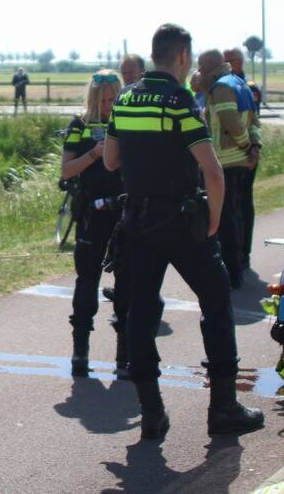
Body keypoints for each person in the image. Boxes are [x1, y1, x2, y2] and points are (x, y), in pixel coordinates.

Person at [103, 23, 263, 439]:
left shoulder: (126, 98)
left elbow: (110, 162)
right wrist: (213, 220)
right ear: (183, 56)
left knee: (139, 314)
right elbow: (212, 171)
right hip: (180, 219)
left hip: (136, 221)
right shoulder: (179, 100)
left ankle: (152, 412)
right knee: (216, 301)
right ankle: (223, 407)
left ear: (153, 55)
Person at [60, 69, 128, 377]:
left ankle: (125, 355)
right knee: (86, 281)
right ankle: (80, 352)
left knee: (128, 284)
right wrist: (94, 153)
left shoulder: (128, 122)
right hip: (91, 213)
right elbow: (66, 171)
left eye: (114, 99)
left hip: (126, 212)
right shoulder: (80, 126)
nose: (109, 105)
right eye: (103, 100)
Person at [197, 49, 261, 289]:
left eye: (202, 67)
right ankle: (241, 262)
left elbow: (230, 121)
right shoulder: (238, 83)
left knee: (226, 219)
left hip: (227, 161)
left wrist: (246, 145)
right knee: (241, 211)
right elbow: (254, 120)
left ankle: (232, 272)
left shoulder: (221, 87)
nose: (199, 71)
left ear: (212, 67)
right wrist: (254, 145)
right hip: (242, 160)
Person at [224, 47, 262, 272]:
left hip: (245, 155)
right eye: (224, 61)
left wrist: (252, 147)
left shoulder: (247, 87)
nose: (227, 66)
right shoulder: (217, 86)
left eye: (231, 61)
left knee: (243, 204)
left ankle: (243, 254)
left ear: (240, 62)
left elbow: (252, 120)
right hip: (226, 158)